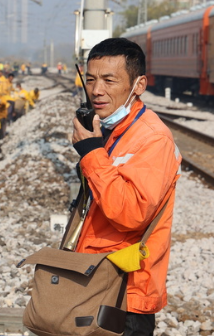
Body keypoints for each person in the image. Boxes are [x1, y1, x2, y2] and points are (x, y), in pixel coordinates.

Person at [71, 38, 182, 336]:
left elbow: (131, 213)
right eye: (91, 79)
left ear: (139, 84)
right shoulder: (111, 128)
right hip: (98, 279)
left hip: (126, 291)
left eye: (110, 80)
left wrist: (93, 154)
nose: (97, 90)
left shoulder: (152, 139)